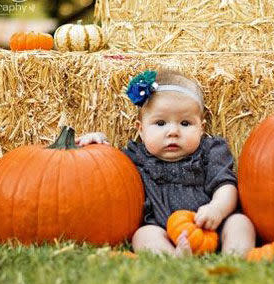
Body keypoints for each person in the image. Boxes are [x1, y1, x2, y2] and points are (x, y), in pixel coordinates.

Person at [76, 69, 256, 257]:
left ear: (201, 128)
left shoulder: (210, 151)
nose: (173, 132)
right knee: (142, 235)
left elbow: (226, 186)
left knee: (240, 223)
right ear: (141, 130)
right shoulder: (136, 157)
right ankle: (174, 257)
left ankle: (234, 257)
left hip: (212, 226)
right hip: (163, 230)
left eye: (185, 123)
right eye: (161, 123)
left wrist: (217, 209)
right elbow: (106, 167)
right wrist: (98, 141)